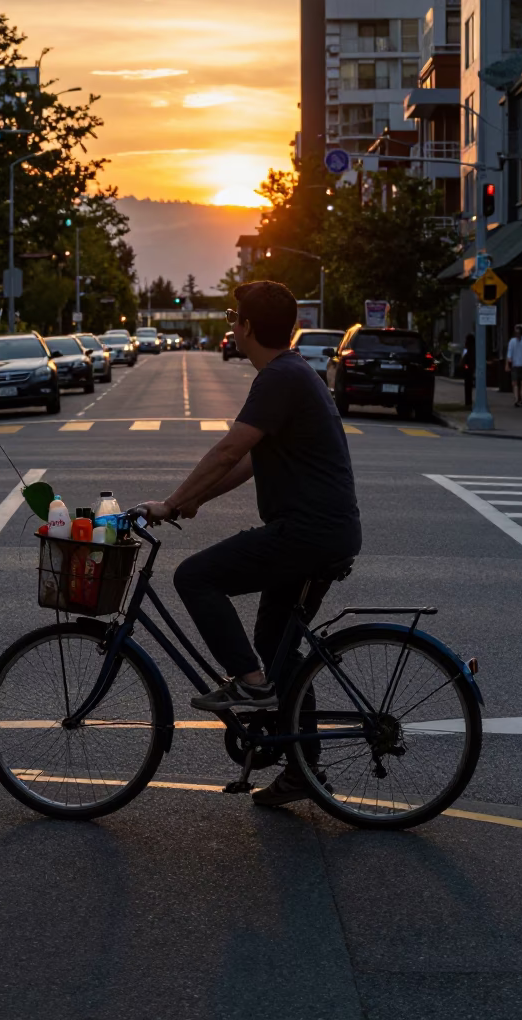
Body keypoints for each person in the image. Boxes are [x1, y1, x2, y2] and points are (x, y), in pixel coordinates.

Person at [140, 280, 362, 807]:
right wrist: (196, 500)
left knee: (195, 576)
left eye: (234, 317)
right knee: (277, 639)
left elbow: (229, 448)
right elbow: (246, 462)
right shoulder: (290, 372)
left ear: (244, 327)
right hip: (323, 530)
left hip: (306, 533)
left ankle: (252, 686)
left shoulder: (280, 377)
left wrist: (170, 503)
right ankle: (301, 768)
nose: (231, 325)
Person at [461, 333, 476, 410]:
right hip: (473, 368)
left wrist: (464, 366)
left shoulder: (466, 348)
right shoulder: (475, 348)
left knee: (467, 386)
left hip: (467, 368)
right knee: (470, 385)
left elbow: (463, 358)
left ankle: (468, 401)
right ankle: (469, 401)